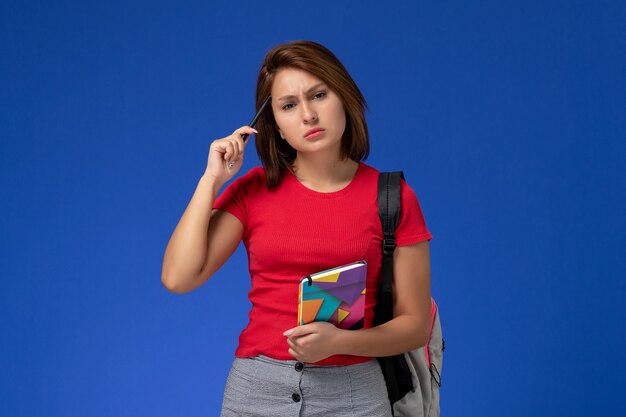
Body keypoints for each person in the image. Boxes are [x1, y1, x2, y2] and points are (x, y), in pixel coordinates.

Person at [161, 40, 433, 417]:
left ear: (344, 97)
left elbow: (416, 326)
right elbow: (178, 277)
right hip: (255, 393)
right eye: (288, 105)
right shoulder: (252, 191)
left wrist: (341, 342)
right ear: (274, 124)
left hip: (355, 394)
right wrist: (211, 181)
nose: (308, 114)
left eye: (318, 94)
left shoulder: (393, 197)